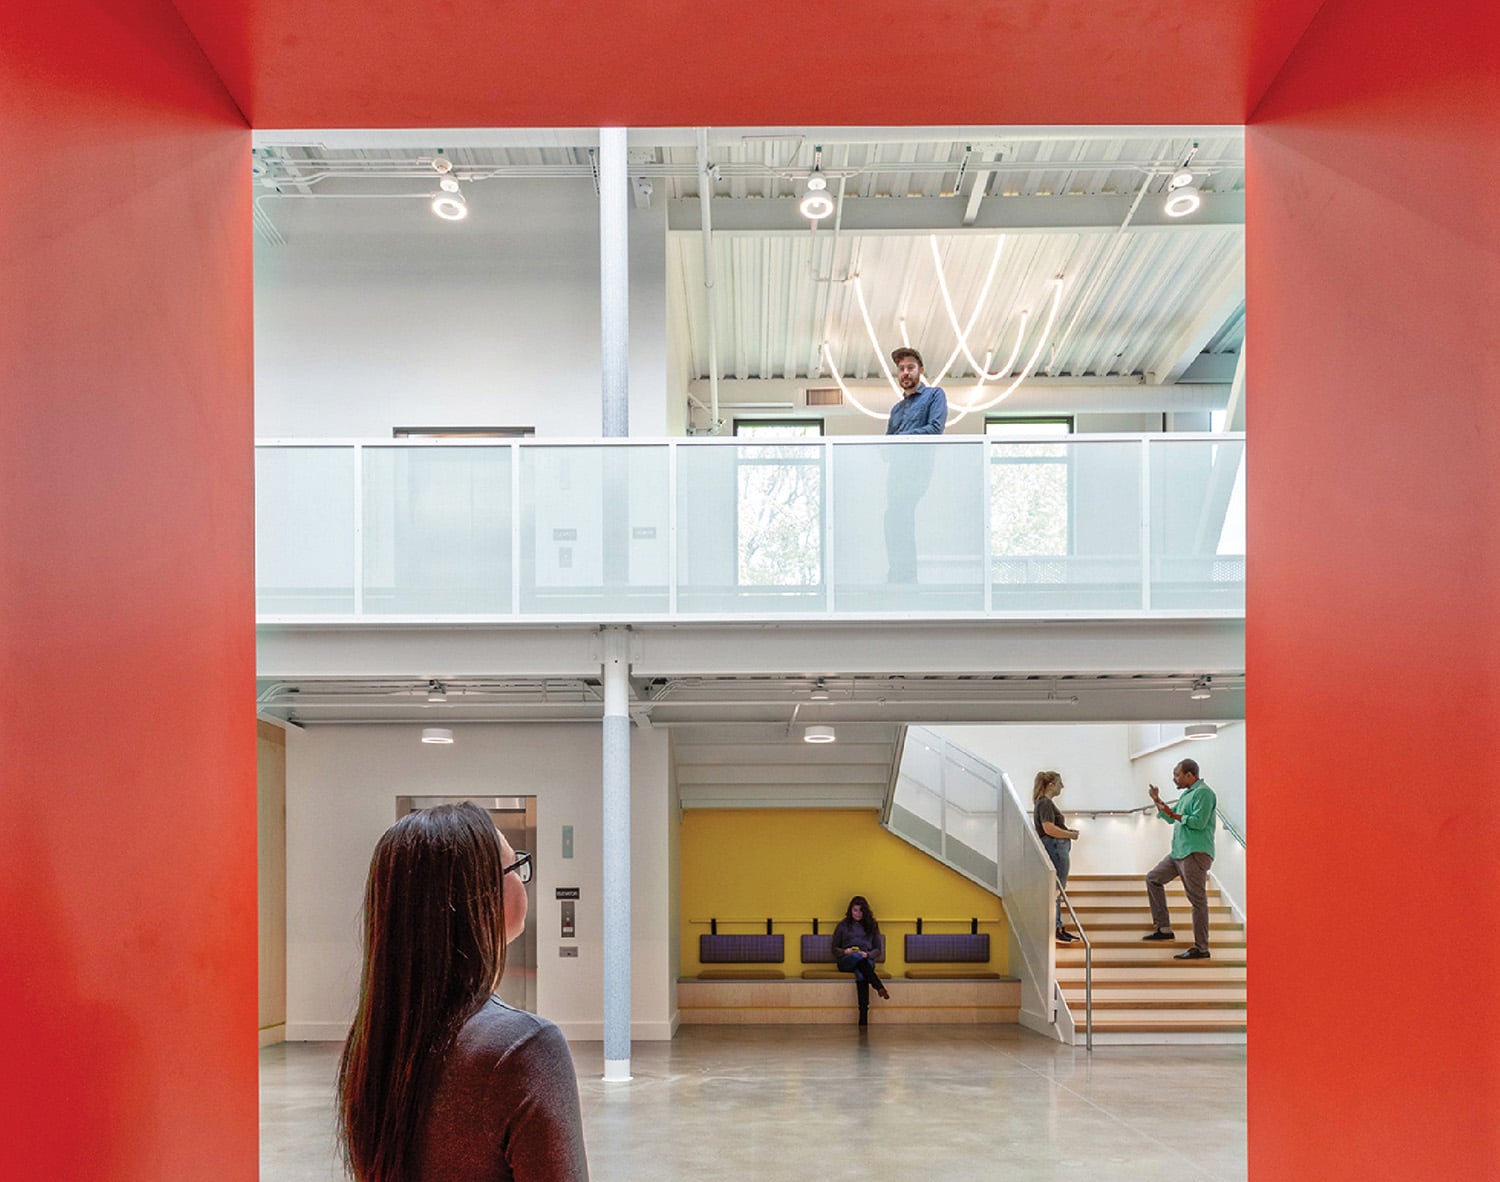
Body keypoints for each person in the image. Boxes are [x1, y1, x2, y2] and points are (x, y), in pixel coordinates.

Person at [336, 802, 588, 1181]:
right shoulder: (524, 1048)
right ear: (479, 895)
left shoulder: (373, 1040)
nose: (523, 878)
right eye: (515, 868)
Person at [1141, 758, 1218, 960]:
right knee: (1153, 878)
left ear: (1190, 775)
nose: (1174, 778)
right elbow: (1170, 817)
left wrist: (1174, 815)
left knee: (1197, 900)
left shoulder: (1204, 793)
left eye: (1177, 774)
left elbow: (1198, 823)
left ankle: (1202, 947)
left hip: (1194, 853)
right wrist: (1157, 801)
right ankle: (1164, 928)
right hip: (1178, 853)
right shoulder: (1186, 794)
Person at [883, 347, 947, 583]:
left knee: (903, 517)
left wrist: (902, 438)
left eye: (910, 368)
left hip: (916, 469)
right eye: (901, 369)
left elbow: (935, 429)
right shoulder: (896, 409)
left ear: (920, 370)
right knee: (892, 519)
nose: (905, 373)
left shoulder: (934, 395)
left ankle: (907, 577)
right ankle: (898, 572)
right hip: (896, 472)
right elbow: (887, 444)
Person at [1032, 771, 1081, 943]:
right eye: (1060, 783)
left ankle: (1057, 926)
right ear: (1051, 784)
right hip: (1055, 848)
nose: (1062, 786)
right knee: (1057, 890)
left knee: (1056, 890)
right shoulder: (1045, 803)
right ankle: (1057, 928)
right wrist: (1070, 834)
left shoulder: (1043, 803)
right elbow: (1048, 828)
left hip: (1055, 847)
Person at [831, 895, 889, 1026]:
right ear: (850, 911)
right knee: (856, 957)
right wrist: (845, 951)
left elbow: (878, 950)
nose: (858, 914)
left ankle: (863, 1017)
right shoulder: (843, 925)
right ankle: (877, 985)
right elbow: (834, 949)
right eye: (855, 910)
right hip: (847, 960)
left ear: (865, 911)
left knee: (861, 972)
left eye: (861, 911)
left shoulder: (872, 925)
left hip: (865, 959)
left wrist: (867, 954)